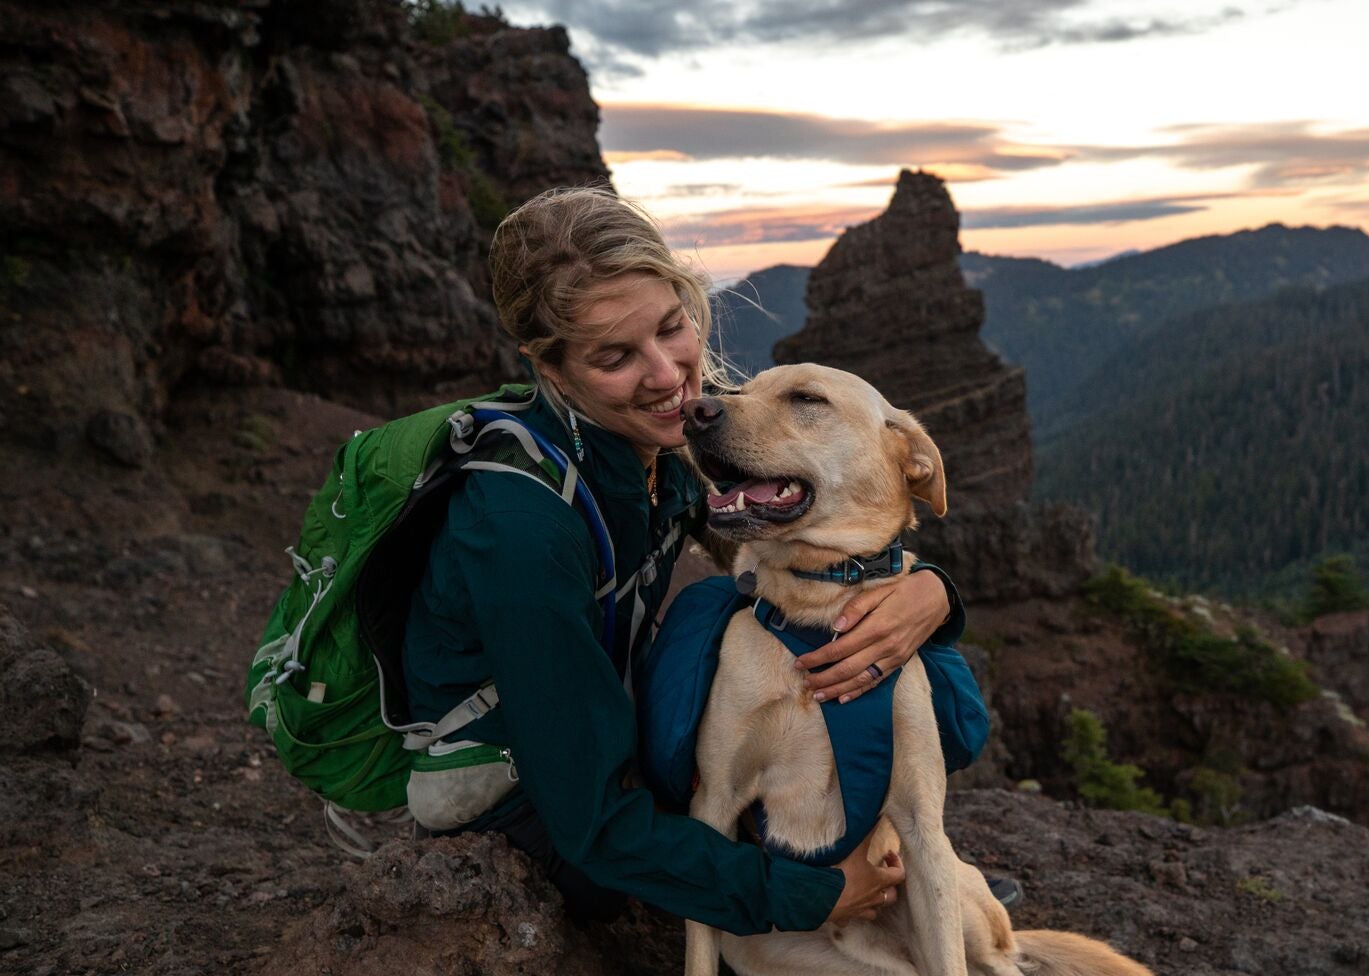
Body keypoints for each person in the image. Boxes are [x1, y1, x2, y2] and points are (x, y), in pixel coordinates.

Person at [398, 185, 967, 935]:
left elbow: (819, 542)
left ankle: (933, 894)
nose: (668, 375)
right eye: (615, 356)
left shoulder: (658, 447)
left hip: (592, 714)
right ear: (556, 371)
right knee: (613, 880)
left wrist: (932, 596)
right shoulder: (519, 528)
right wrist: (808, 897)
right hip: (508, 784)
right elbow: (592, 823)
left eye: (674, 328)